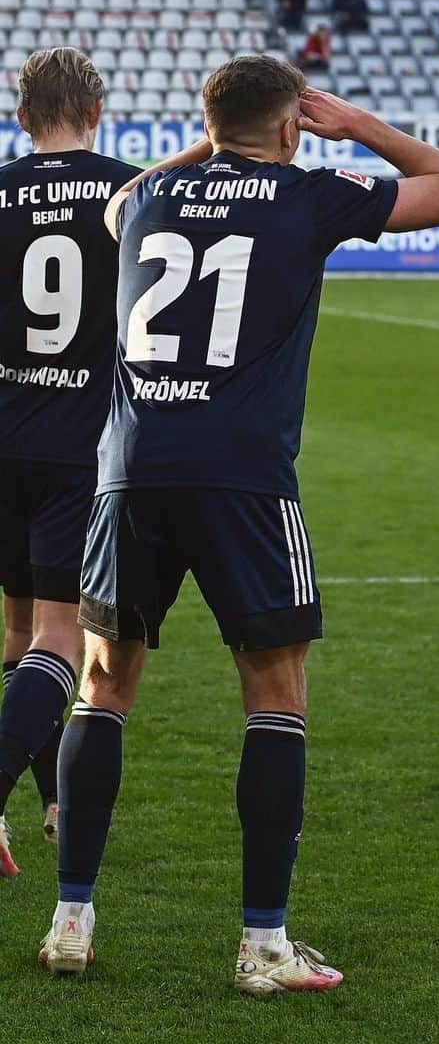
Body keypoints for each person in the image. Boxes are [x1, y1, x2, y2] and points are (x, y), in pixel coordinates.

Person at [36, 55, 439, 990]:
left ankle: (70, 920)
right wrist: (353, 122)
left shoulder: (140, 206)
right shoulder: (308, 196)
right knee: (275, 694)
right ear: (293, 126)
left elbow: (145, 191)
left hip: (130, 473)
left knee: (104, 685)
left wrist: (214, 140)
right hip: (243, 477)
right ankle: (262, 944)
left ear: (208, 121)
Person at [0, 49, 140, 879]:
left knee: (19, 635)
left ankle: (52, 805)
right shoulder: (132, 190)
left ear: (22, 115)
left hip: (4, 433)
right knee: (65, 641)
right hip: (78, 445)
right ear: (97, 106)